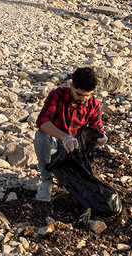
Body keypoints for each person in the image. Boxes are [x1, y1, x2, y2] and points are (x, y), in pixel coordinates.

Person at [33, 67, 107, 202]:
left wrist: (101, 137)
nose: (83, 99)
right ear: (71, 86)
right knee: (41, 136)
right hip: (56, 143)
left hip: (74, 149)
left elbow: (97, 128)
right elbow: (42, 121)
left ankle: (71, 179)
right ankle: (46, 181)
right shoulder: (57, 95)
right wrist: (64, 137)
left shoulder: (93, 104)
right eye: (79, 94)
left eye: (87, 95)